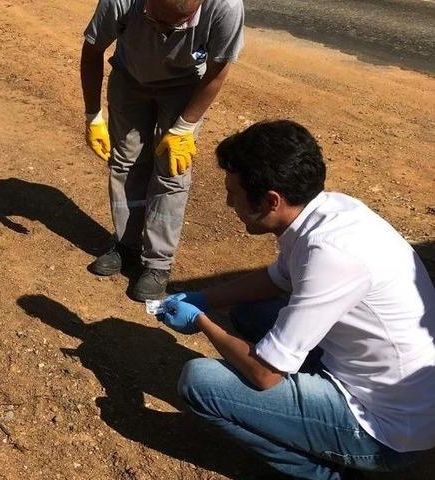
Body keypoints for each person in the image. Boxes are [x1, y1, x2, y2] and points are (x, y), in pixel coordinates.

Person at [156, 120, 435, 479]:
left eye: (234, 193)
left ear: (272, 200)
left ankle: (327, 473)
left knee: (199, 381)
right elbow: (277, 279)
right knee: (251, 313)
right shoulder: (327, 212)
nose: (229, 203)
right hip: (395, 387)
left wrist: (199, 321)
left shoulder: (331, 255)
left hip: (385, 431)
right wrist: (206, 297)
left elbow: (265, 375)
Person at [81, 0, 244, 301]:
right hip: (129, 79)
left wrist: (185, 127)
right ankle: (126, 245)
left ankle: (157, 264)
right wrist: (93, 115)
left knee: (172, 171)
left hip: (185, 87)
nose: (161, 32)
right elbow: (92, 50)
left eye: (173, 27)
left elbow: (218, 69)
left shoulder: (225, 7)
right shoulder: (122, 2)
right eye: (154, 19)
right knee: (125, 162)